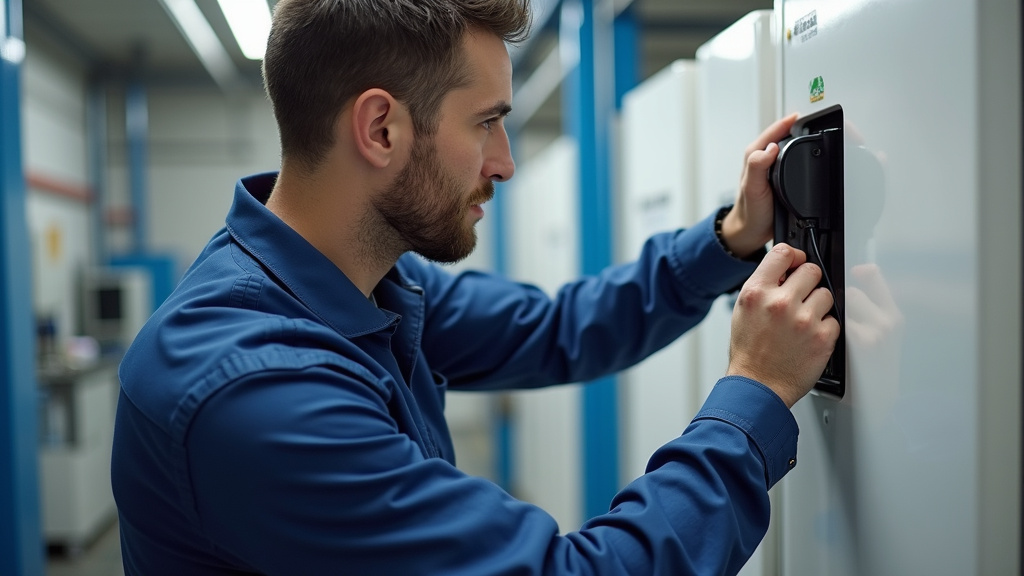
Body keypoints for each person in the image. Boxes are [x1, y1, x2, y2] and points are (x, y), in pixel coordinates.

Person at [110, 0, 839, 574]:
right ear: (381, 129)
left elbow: (558, 330)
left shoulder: (371, 282)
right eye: (487, 122)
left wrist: (731, 238)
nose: (505, 162)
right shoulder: (257, 394)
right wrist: (756, 392)